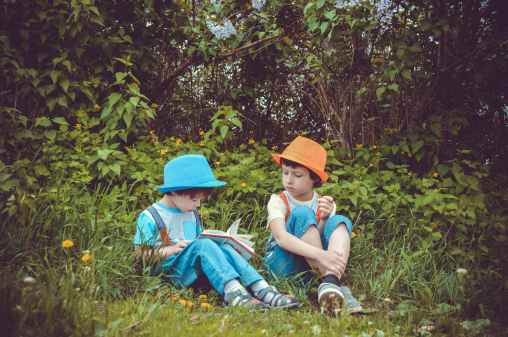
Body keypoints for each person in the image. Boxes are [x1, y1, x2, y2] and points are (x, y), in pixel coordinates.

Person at [133, 154, 299, 309]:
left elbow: (200, 244)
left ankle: (261, 288)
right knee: (204, 245)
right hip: (171, 274)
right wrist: (169, 249)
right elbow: (141, 255)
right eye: (194, 199)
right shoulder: (151, 216)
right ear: (174, 191)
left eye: (200, 200)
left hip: (196, 272)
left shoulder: (191, 212)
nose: (197, 205)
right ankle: (233, 292)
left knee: (223, 247)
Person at [263, 136, 363, 314]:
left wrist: (324, 219)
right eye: (285, 172)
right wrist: (322, 256)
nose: (289, 180)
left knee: (340, 221)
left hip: (311, 270)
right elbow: (280, 237)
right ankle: (333, 284)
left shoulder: (322, 203)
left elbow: (318, 237)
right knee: (302, 213)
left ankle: (329, 284)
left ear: (314, 179)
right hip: (283, 263)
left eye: (297, 175)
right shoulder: (278, 200)